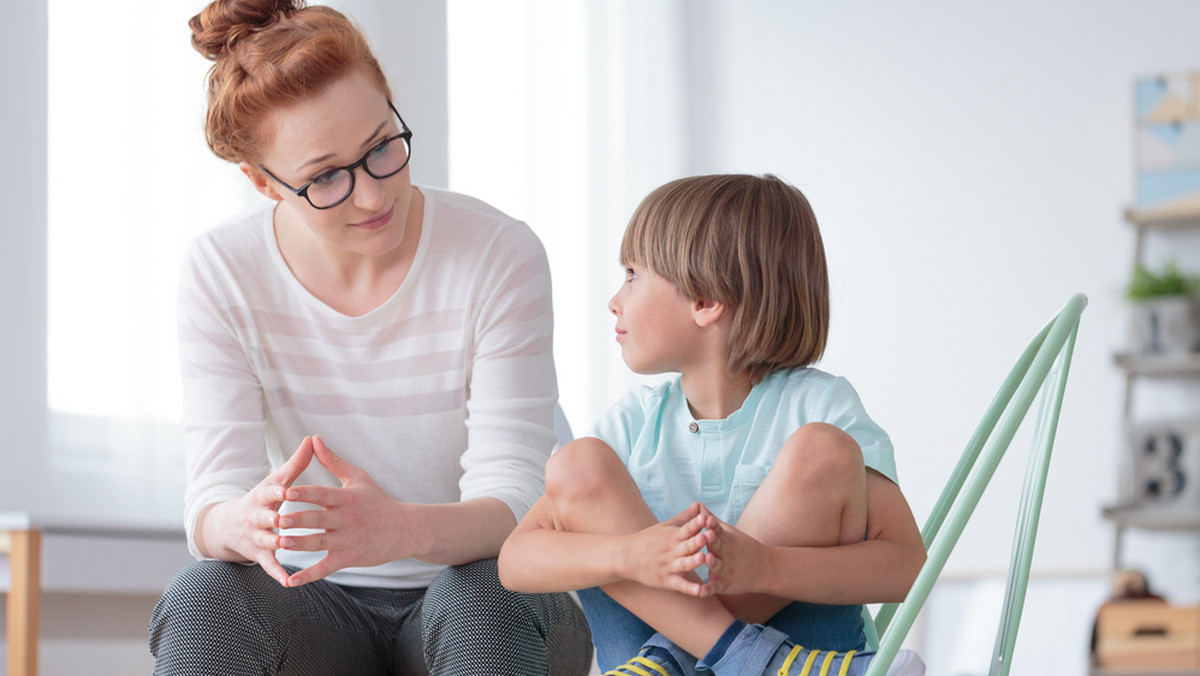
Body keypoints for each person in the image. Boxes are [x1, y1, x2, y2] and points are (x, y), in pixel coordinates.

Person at [148, 1, 592, 674]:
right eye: (326, 177)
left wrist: (400, 530)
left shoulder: (498, 253)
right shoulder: (222, 271)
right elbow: (211, 505)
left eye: (382, 146)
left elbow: (517, 505)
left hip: (482, 592)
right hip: (316, 606)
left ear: (391, 105)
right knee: (205, 594)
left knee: (482, 593)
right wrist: (238, 522)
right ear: (264, 183)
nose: (372, 196)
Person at [498, 174, 928, 676]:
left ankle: (675, 662)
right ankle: (749, 660)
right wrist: (630, 553)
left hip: (796, 657)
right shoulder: (634, 424)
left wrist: (767, 565)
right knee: (577, 463)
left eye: (633, 275)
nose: (615, 299)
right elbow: (516, 561)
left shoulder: (819, 408)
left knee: (823, 451)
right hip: (743, 662)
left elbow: (906, 568)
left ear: (705, 301)